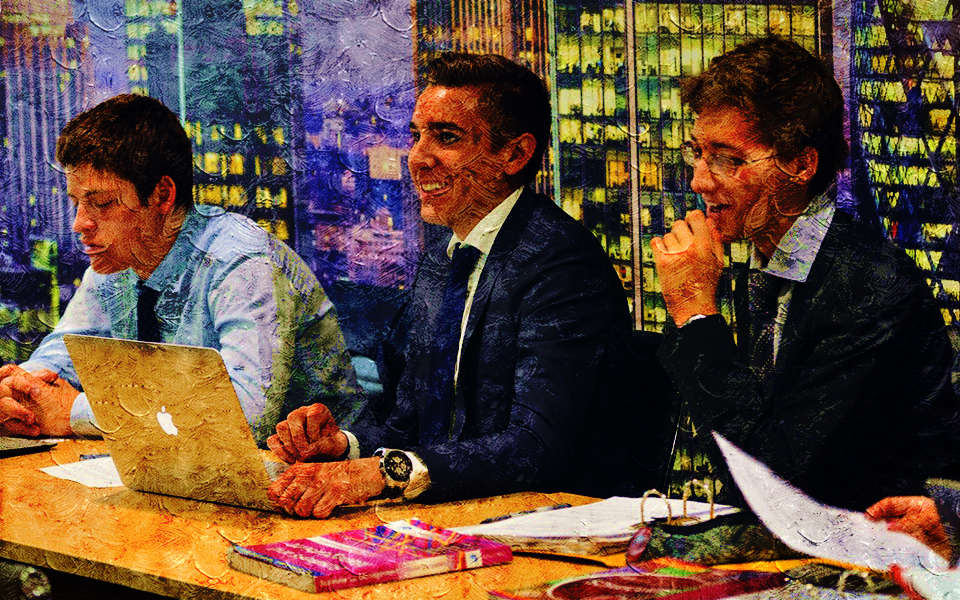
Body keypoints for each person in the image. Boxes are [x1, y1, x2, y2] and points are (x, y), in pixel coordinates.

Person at [266, 53, 640, 518]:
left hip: (553, 526)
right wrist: (342, 446)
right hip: (455, 517)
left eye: (446, 138)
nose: (418, 159)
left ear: (514, 155)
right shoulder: (444, 258)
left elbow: (535, 448)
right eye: (416, 136)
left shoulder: (562, 264)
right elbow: (412, 428)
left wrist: (378, 474)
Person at [651, 36, 960, 509]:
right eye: (697, 152)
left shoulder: (868, 288)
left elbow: (775, 483)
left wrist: (696, 316)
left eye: (728, 159)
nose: (699, 180)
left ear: (800, 164)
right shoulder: (762, 261)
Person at [0, 94, 363, 445]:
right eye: (76, 202)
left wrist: (75, 412)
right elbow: (61, 356)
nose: (79, 223)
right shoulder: (118, 257)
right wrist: (20, 392)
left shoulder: (242, 261)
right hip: (176, 463)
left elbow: (247, 416)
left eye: (103, 203)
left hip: (320, 470)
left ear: (162, 195)